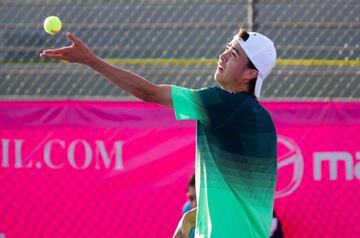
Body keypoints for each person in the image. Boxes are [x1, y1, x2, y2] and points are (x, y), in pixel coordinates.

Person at [40, 27, 278, 238]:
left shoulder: (220, 104)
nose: (223, 55)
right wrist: (194, 216)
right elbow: (241, 198)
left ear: (251, 74)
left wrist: (91, 61)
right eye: (227, 48)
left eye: (234, 54)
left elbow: (149, 93)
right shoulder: (263, 120)